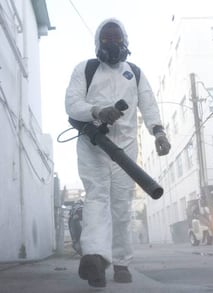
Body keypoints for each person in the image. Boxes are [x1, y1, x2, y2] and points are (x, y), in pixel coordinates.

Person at [65, 18, 170, 288]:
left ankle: (121, 261)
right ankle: (96, 260)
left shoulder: (134, 72)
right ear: (98, 43)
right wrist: (97, 111)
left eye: (116, 38)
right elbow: (72, 103)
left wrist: (158, 131)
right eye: (106, 39)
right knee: (97, 199)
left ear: (125, 42)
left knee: (121, 206)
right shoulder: (86, 69)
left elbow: (148, 103)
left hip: (125, 147)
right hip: (94, 144)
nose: (112, 43)